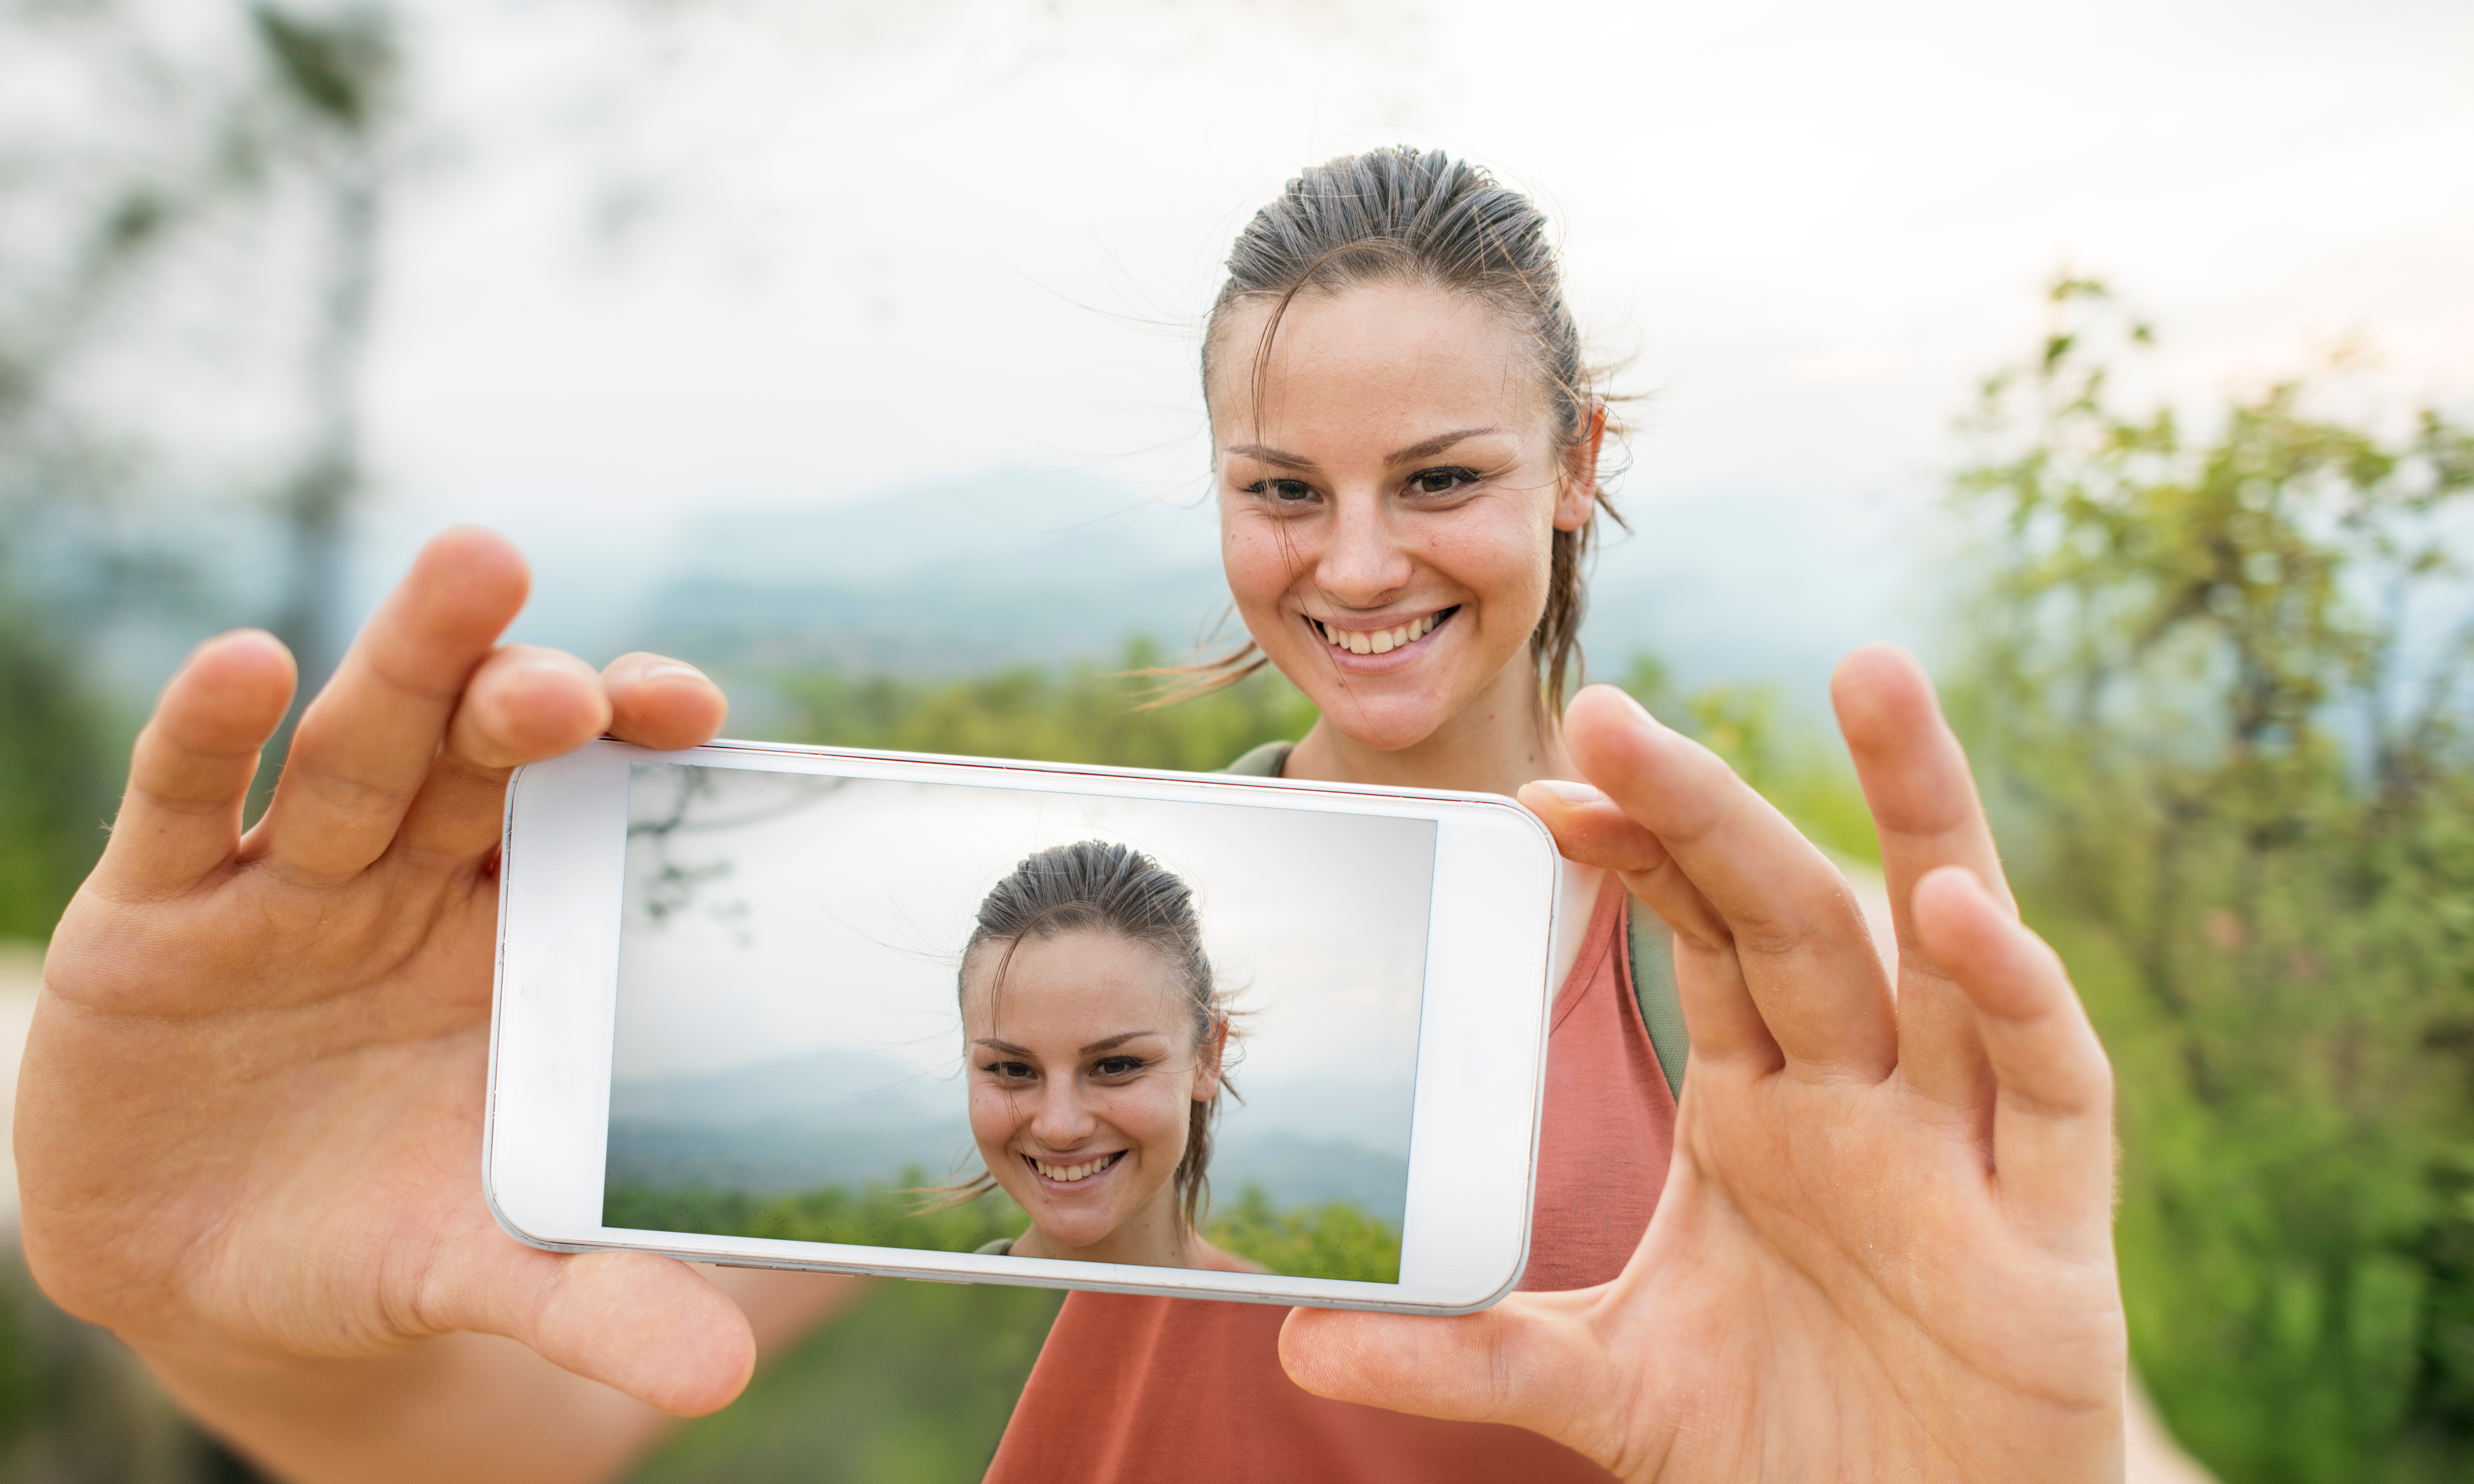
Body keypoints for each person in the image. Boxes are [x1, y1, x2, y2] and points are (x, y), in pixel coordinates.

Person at [15, 148, 2125, 1484]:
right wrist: (201, 1300)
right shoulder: (1109, 918)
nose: (1357, 561)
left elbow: (1998, 1413)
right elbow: (540, 1409)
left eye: (1444, 477)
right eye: (1282, 487)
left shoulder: (1779, 984)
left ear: (1578, 461)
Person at [947, 840, 1247, 1272]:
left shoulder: (1294, 1332)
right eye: (1013, 1069)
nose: (1060, 1127)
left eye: (1116, 1066)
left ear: (1208, 1059)